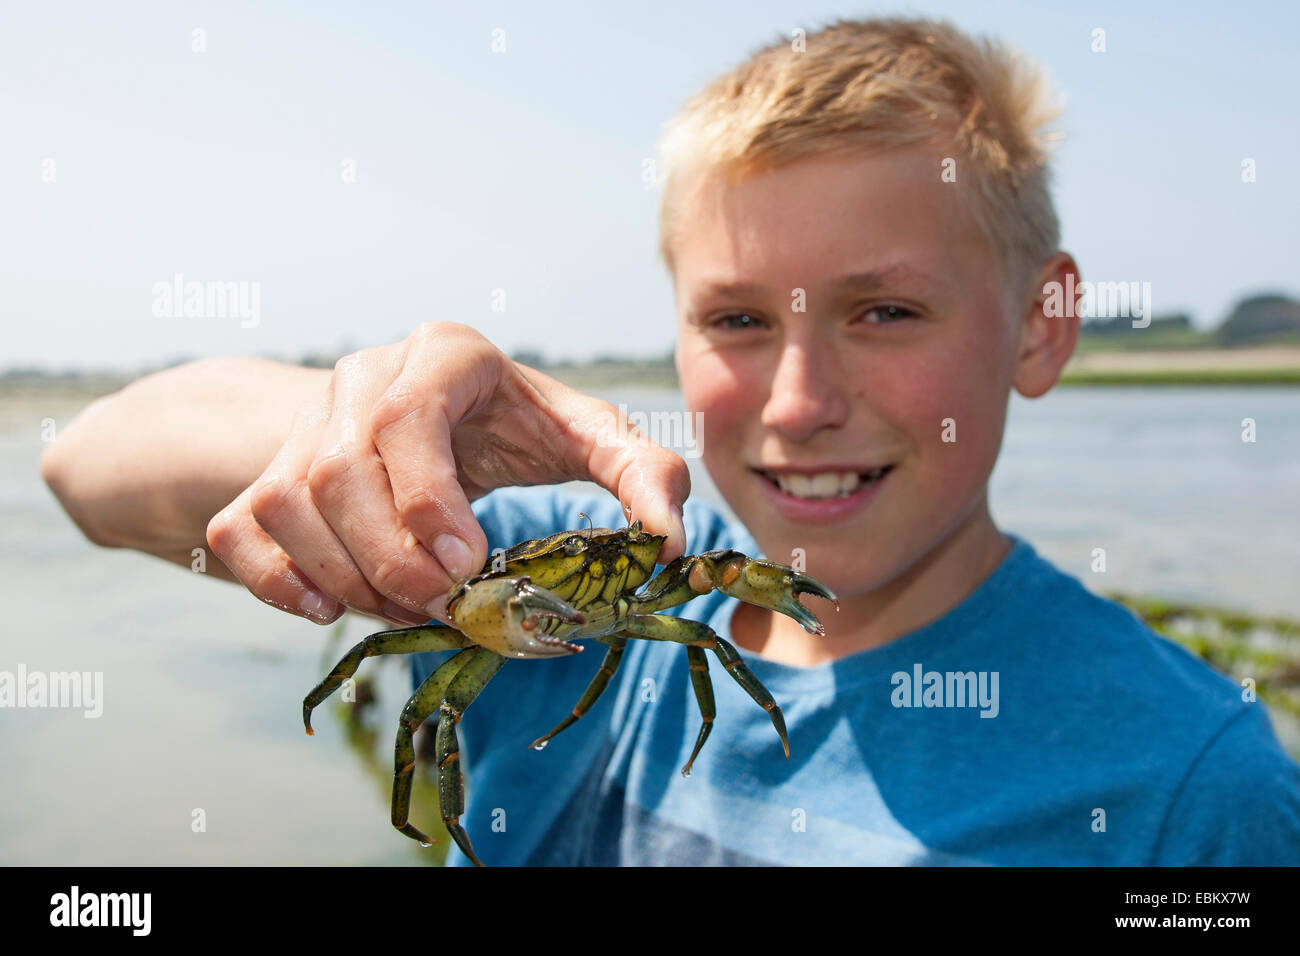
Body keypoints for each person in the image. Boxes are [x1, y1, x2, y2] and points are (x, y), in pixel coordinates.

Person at [43, 16, 1300, 865]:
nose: (799, 400)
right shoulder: (522, 564)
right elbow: (90, 464)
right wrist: (356, 428)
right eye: (739, 319)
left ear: (1040, 324)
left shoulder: (1191, 792)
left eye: (885, 310)